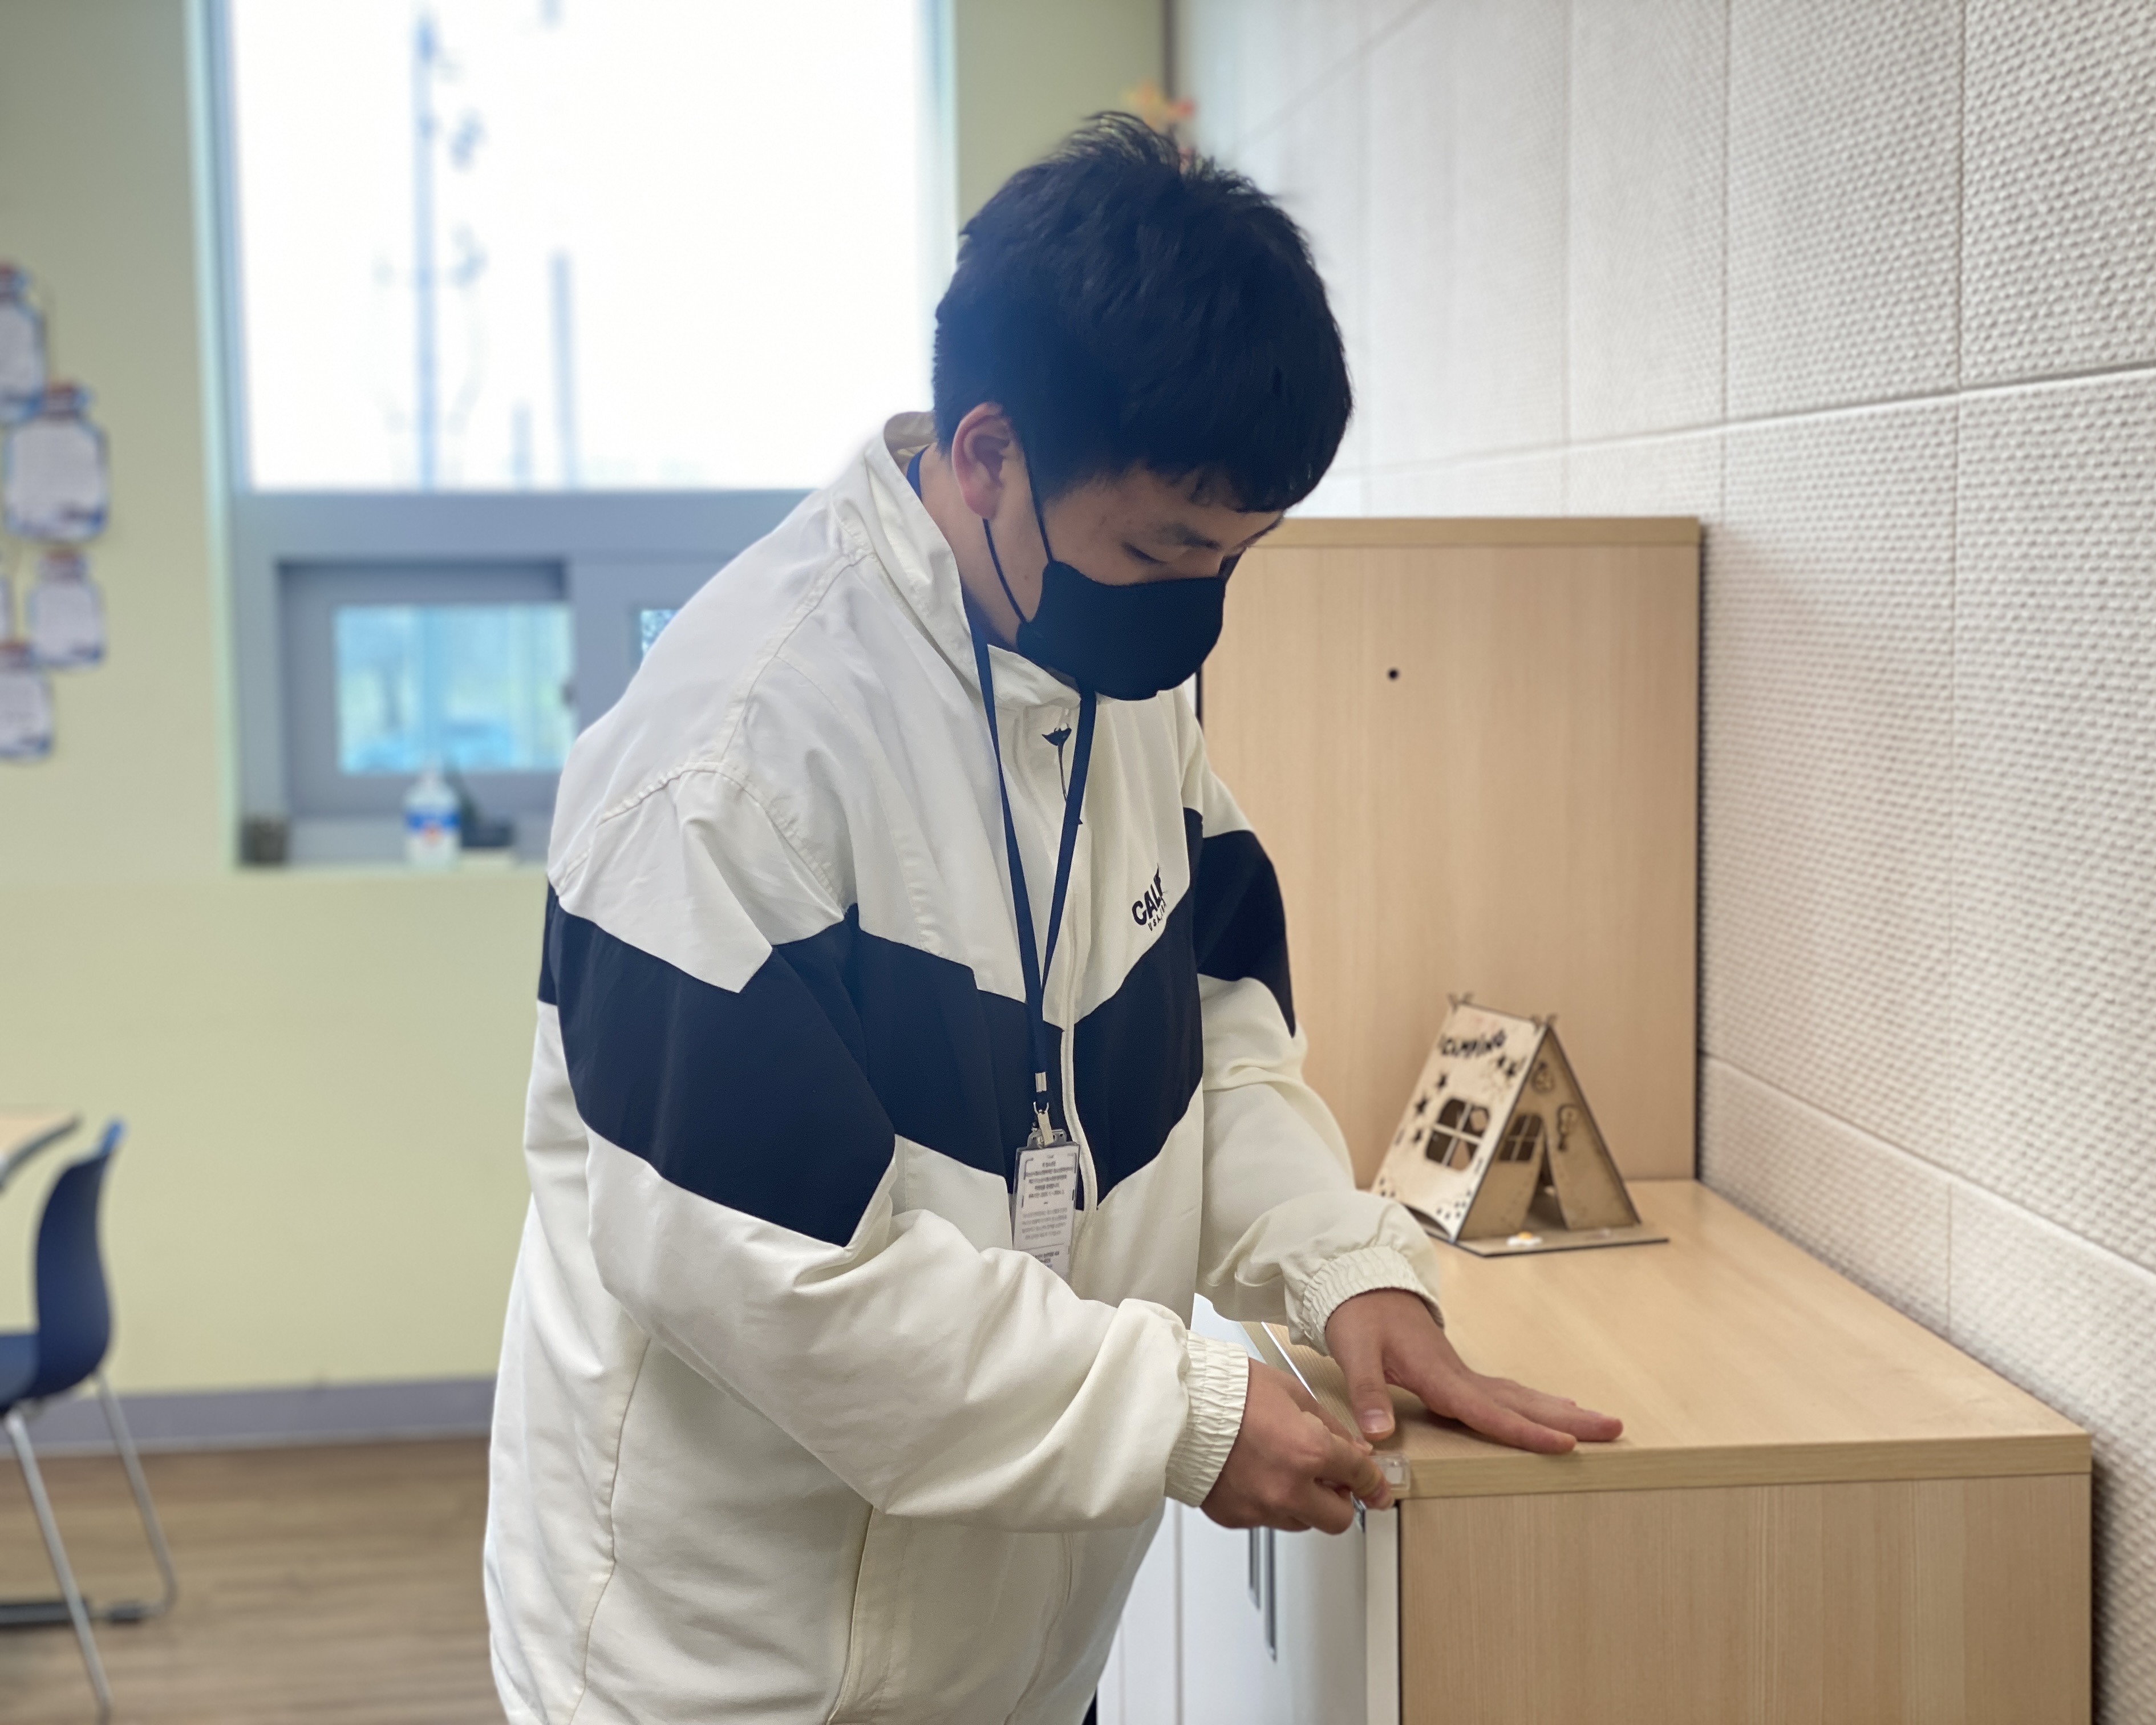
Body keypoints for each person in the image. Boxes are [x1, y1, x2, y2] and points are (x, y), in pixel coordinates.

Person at [484, 115, 1620, 1725]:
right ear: (987, 456)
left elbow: (1213, 1042)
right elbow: (776, 1278)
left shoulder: (1108, 670)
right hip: (734, 1673)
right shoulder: (730, 764)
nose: (1198, 602)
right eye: (1166, 547)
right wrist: (1178, 1413)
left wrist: (1340, 1264)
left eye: (1237, 556)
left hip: (1010, 1639)